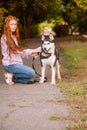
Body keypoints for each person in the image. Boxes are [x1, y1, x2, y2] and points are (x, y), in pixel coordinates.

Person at [0, 15, 41, 85]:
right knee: (31, 73)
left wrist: (31, 55)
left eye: (15, 24)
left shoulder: (13, 37)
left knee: (30, 79)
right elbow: (17, 50)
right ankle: (10, 74)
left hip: (16, 64)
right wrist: (35, 49)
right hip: (10, 65)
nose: (14, 26)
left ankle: (11, 76)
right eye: (11, 24)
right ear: (7, 25)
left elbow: (19, 53)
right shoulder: (5, 38)